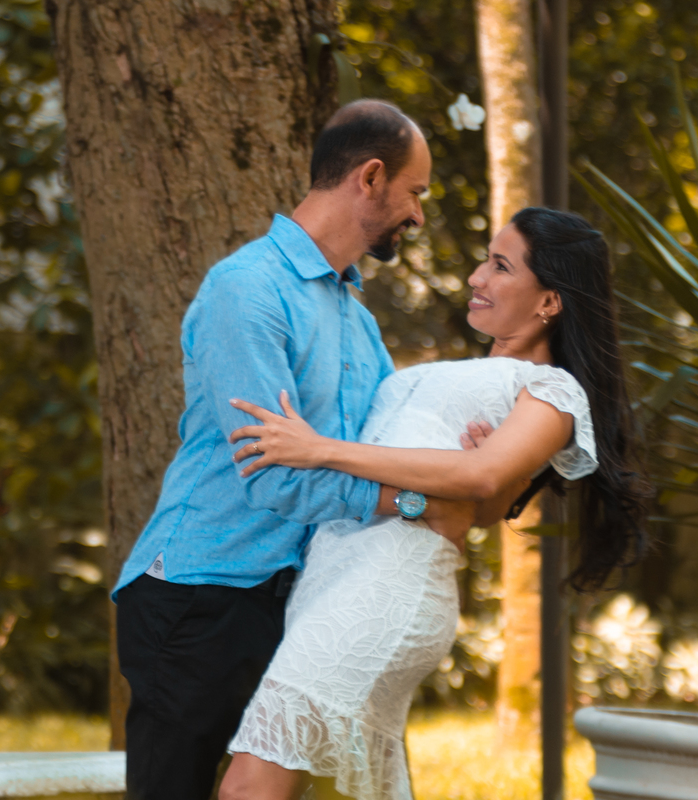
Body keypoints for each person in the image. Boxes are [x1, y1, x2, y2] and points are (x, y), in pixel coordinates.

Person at [110, 99, 480, 800]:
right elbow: (276, 477)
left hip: (295, 595)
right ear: (370, 177)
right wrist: (415, 501)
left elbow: (374, 447)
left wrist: (462, 448)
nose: (419, 214)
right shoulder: (245, 291)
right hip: (201, 595)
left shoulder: (356, 321)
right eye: (416, 192)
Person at [217, 207, 652, 800]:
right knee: (319, 789)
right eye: (485, 260)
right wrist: (460, 491)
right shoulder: (473, 371)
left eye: (500, 267)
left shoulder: (554, 388)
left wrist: (321, 451)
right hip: (338, 574)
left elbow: (480, 478)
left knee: (250, 784)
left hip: (391, 585)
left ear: (549, 302)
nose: (477, 277)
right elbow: (481, 499)